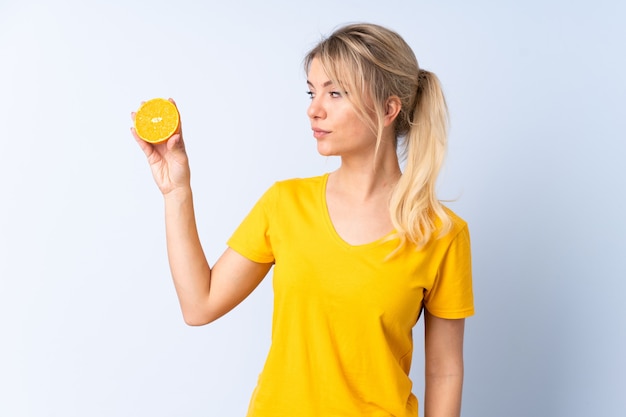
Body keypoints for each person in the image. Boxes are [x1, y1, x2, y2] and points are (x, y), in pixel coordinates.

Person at [131, 23, 473, 417]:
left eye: (335, 92)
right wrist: (177, 192)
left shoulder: (441, 233)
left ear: (388, 109)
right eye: (312, 92)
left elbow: (445, 371)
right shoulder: (284, 204)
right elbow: (199, 305)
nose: (314, 108)